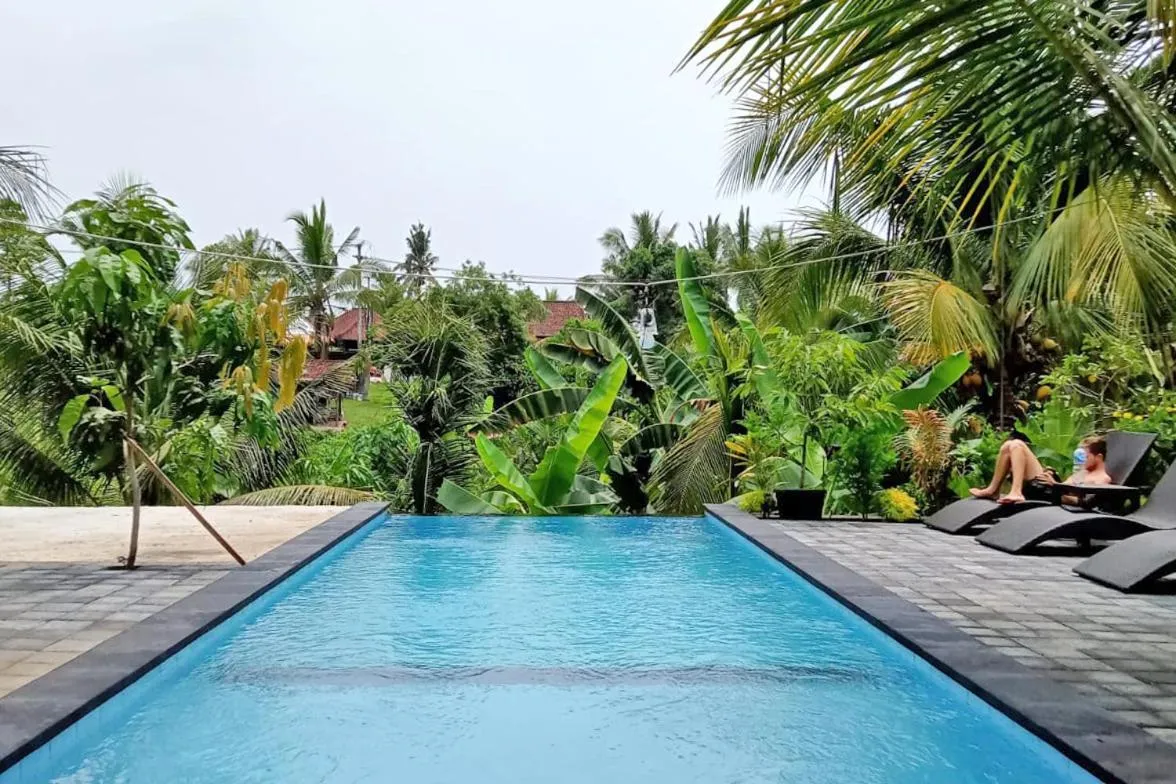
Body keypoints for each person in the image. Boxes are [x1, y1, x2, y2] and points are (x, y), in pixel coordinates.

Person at [970, 435, 1110, 504]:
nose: (1081, 460)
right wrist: (1052, 476)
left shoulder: (1102, 479)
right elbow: (1069, 488)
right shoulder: (1082, 473)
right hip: (1045, 490)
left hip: (1049, 495)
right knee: (1008, 446)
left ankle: (1016, 491)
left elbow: (1080, 502)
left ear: (1098, 457)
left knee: (1017, 445)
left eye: (1085, 456)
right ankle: (993, 490)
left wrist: (1054, 485)